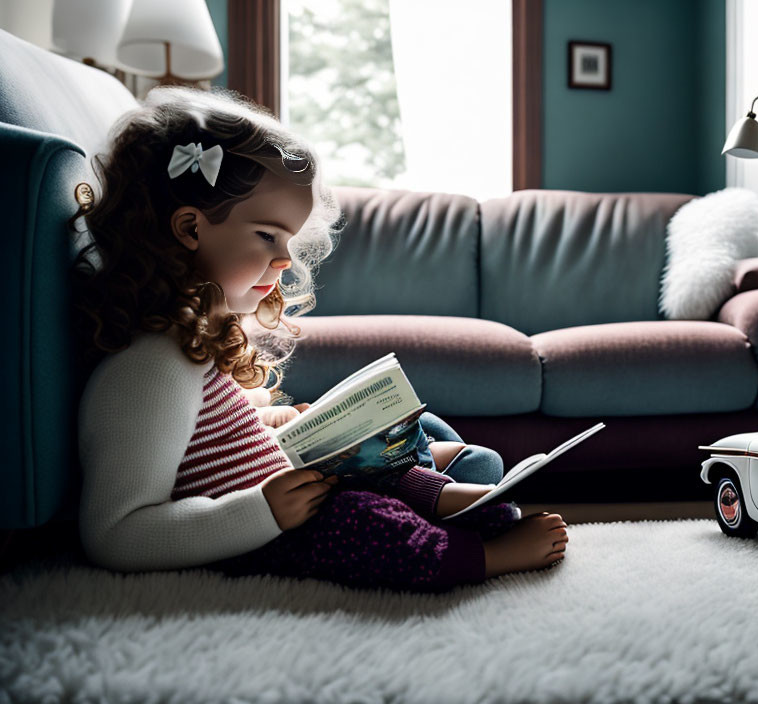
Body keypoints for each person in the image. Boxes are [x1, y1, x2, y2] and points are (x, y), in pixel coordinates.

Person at [72, 85, 568, 592]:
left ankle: (441, 490)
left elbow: (202, 442)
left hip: (283, 493)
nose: (285, 260)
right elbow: (116, 533)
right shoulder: (150, 365)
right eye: (268, 236)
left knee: (406, 430)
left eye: (289, 239)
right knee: (358, 518)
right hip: (259, 532)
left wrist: (279, 422)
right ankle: (474, 554)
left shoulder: (185, 346)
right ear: (189, 228)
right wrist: (263, 510)